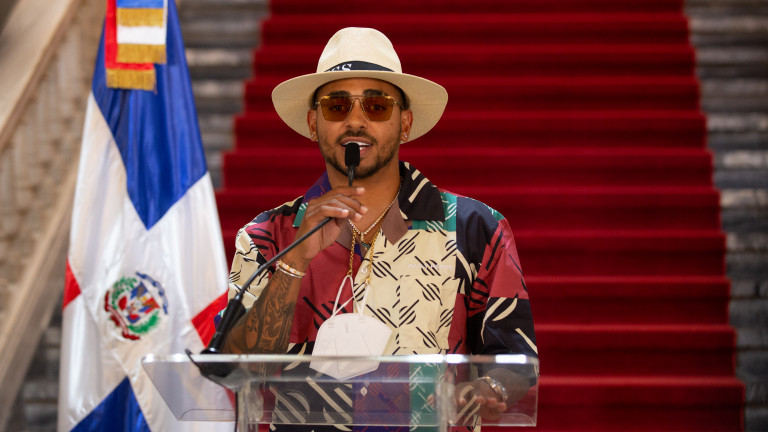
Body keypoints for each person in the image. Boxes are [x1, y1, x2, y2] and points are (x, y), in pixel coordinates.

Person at [222, 27, 537, 426]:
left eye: (376, 106)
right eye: (337, 106)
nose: (355, 121)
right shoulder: (266, 236)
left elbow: (516, 358)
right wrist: (294, 262)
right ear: (314, 123)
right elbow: (237, 368)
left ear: (404, 123)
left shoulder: (475, 229)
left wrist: (490, 388)